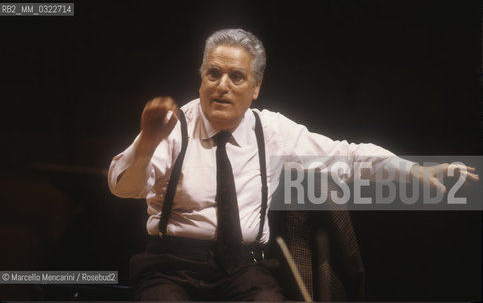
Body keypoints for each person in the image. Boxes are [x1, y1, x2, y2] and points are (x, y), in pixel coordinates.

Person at [108, 28, 478, 301]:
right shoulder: (172, 125)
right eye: (213, 74)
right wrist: (147, 140)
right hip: (171, 265)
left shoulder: (271, 130)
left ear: (255, 88)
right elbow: (123, 187)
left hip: (242, 266)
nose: (222, 85)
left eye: (236, 77)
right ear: (200, 78)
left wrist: (414, 170)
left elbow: (346, 157)